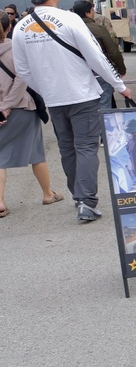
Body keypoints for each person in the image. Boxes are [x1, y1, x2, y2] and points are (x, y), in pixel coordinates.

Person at [12, 0, 133, 223]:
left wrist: (45, 88)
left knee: (67, 148)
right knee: (87, 146)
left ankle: (78, 196)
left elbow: (22, 71)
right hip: (82, 93)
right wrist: (119, 85)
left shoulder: (21, 27)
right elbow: (96, 57)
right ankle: (87, 202)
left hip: (54, 99)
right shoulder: (69, 19)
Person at [0, 12, 63, 217]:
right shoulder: (15, 49)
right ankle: (47, 194)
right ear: (9, 27)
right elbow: (22, 79)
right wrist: (7, 105)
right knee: (36, 152)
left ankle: (0, 202)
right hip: (22, 107)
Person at [71, 0, 127, 111]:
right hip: (100, 72)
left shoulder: (68, 29)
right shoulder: (98, 28)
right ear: (88, 12)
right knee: (104, 105)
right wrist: (121, 69)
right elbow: (113, 50)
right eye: (92, 10)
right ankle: (104, 127)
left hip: (77, 74)